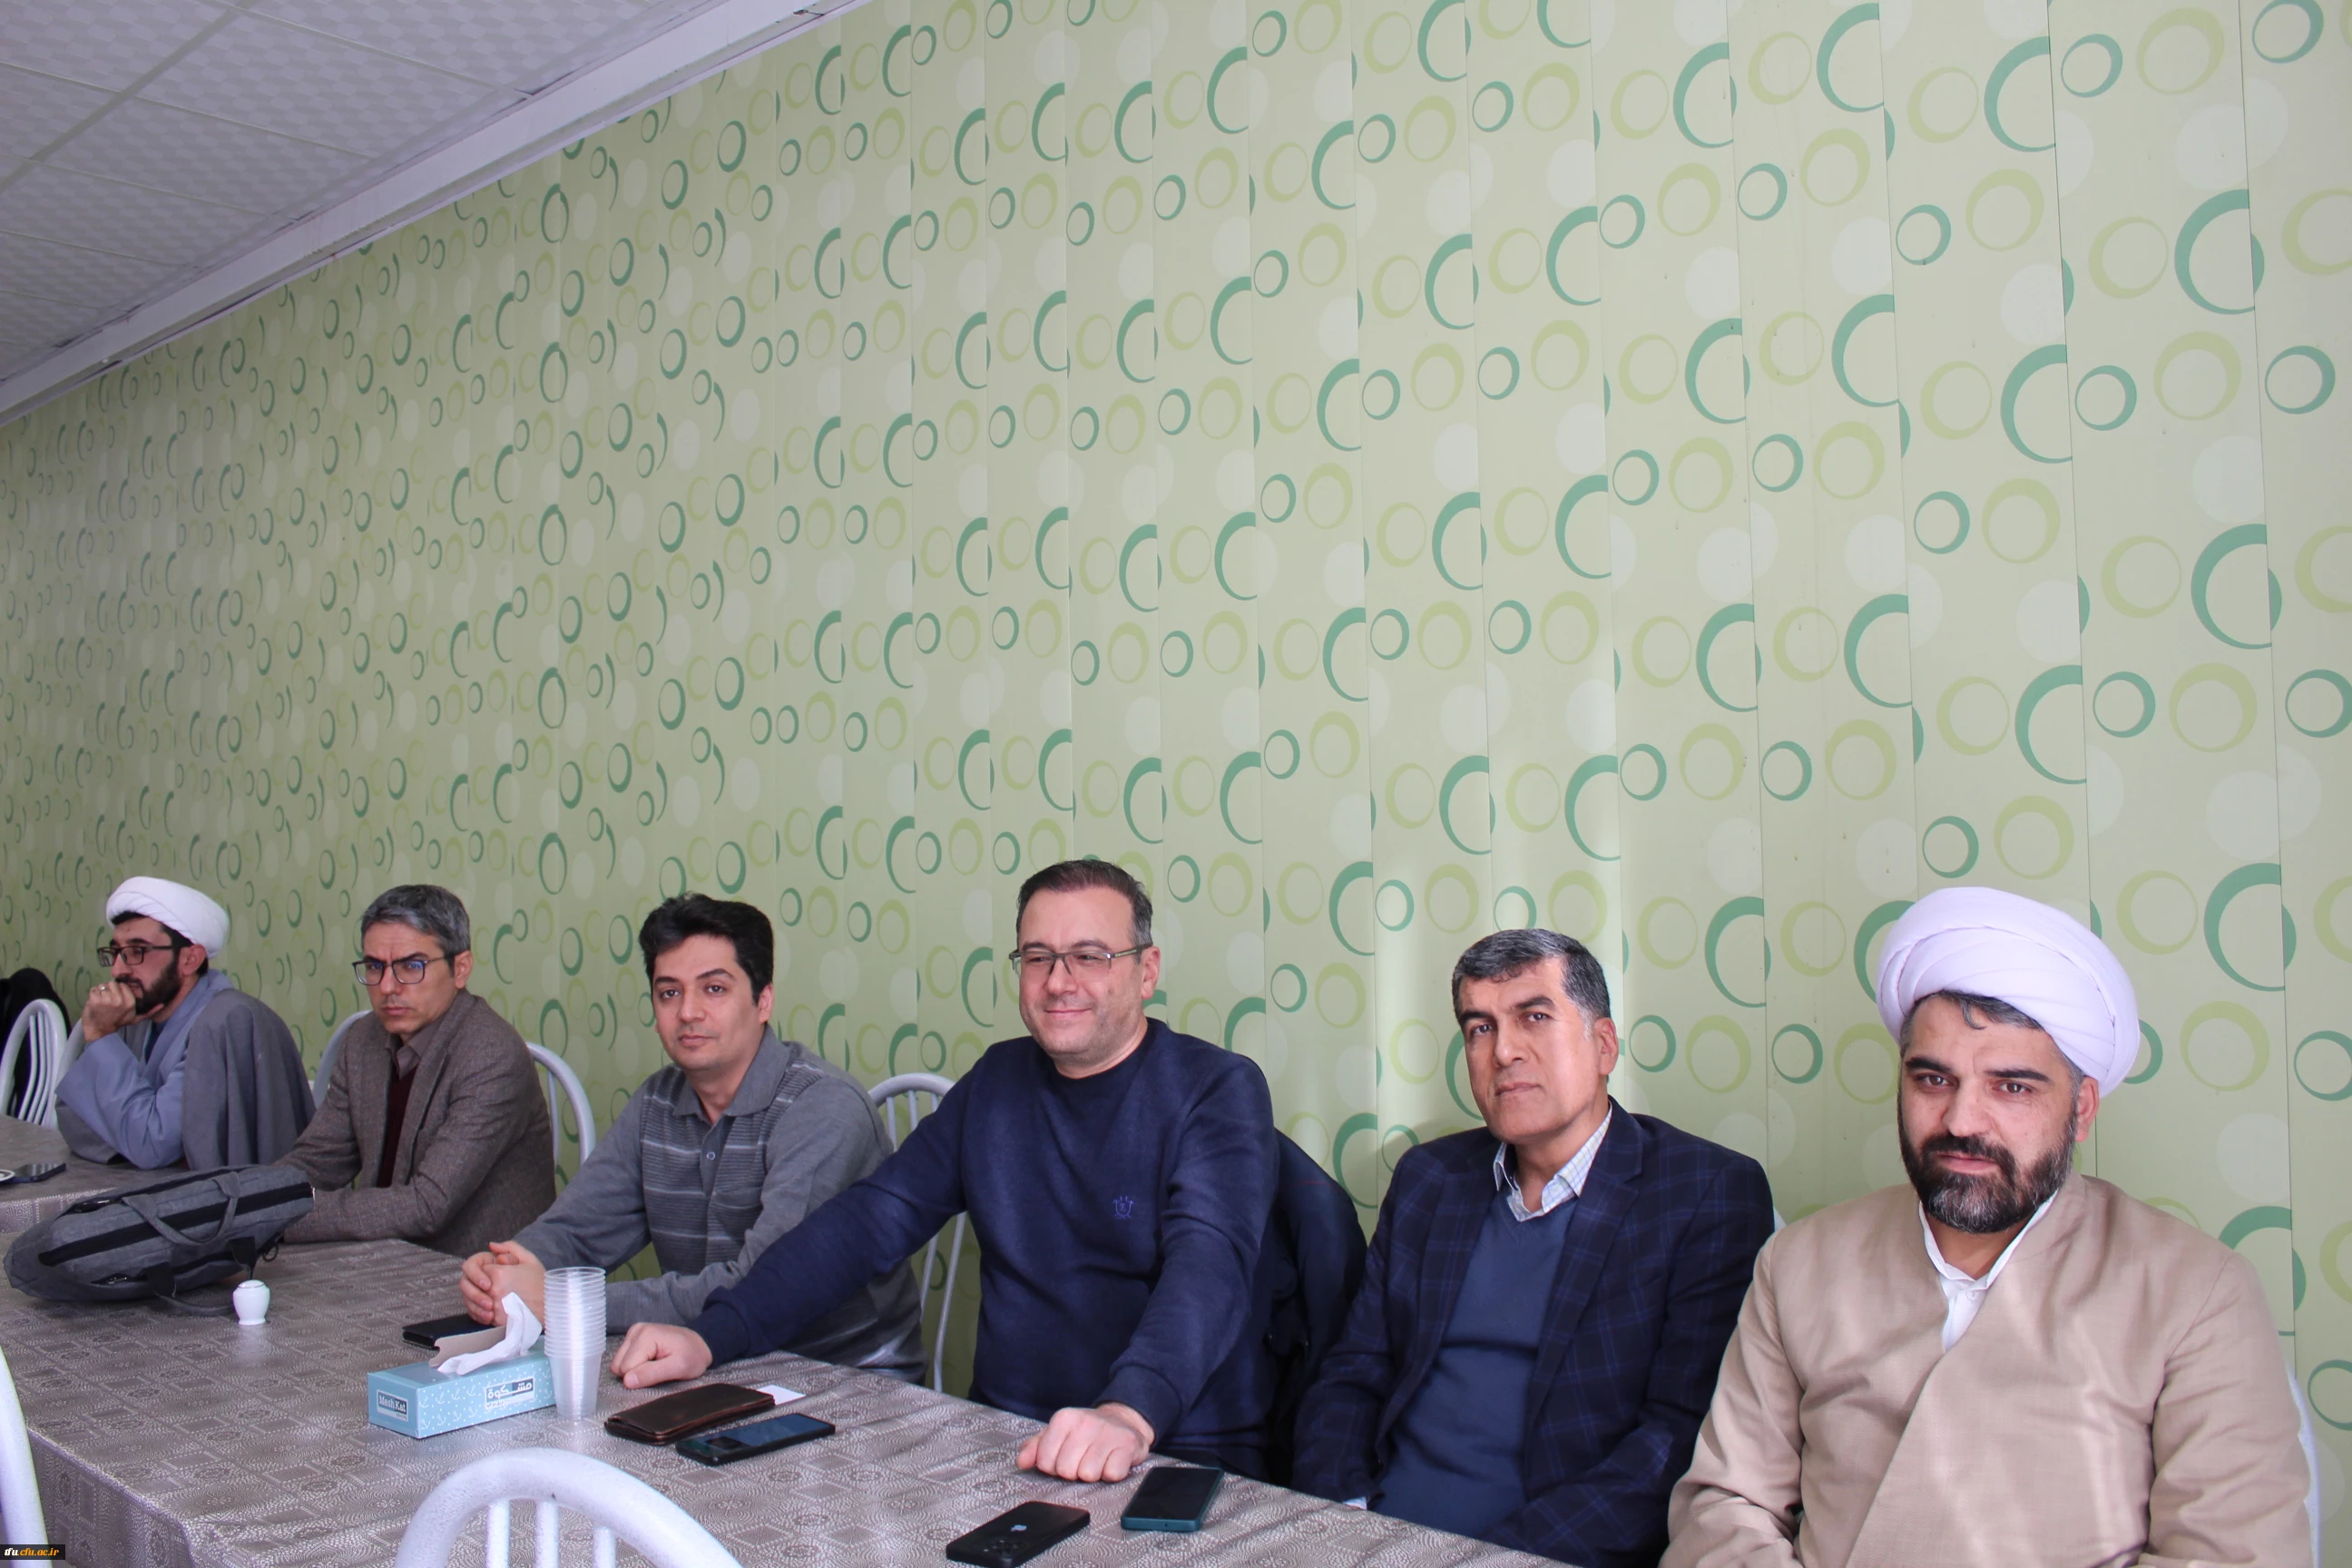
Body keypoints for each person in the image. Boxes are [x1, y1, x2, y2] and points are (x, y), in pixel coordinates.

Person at [1664, 887, 2312, 1568]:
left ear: (2082, 1109)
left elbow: (2234, 1553)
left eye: (2013, 1087)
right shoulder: (1800, 1262)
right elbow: (1725, 1505)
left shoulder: (2196, 1291)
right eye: (1933, 1080)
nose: (1962, 1120)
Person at [607, 859, 1280, 1483]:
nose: (1058, 981)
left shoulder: (1216, 1089)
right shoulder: (997, 1082)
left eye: (1090, 956)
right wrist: (711, 1335)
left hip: (1171, 1444)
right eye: (1037, 957)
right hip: (1008, 1437)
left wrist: (1128, 1413)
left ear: (1146, 970)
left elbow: (1209, 1268)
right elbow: (867, 1223)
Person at [1293, 928, 1774, 1565]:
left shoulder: (1703, 1193)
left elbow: (1676, 1439)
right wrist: (1342, 1518)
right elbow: (1353, 1371)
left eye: (1534, 1018)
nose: (1503, 1051)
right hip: (1371, 1534)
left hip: (1546, 1549)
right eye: (1480, 1028)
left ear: (1603, 1045)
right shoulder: (1430, 1180)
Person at [460, 894, 923, 1378]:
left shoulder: (823, 1108)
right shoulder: (657, 1101)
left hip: (840, 1375)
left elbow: (760, 1284)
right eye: (669, 993)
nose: (687, 1012)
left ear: (763, 1001)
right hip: (710, 1361)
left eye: (714, 989)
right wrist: (511, 1270)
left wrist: (567, 1302)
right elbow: (578, 1227)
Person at [278, 886, 554, 1257]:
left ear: (460, 968)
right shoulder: (363, 1039)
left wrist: (283, 1216)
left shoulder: (491, 1055)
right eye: (374, 966)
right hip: (380, 1256)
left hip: (472, 1270)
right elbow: (318, 1160)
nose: (387, 987)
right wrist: (248, 1204)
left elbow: (426, 1206)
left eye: (411, 966)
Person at [57, 877, 313, 1169]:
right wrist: (133, 1138)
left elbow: (152, 1145)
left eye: (136, 951)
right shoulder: (135, 1015)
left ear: (190, 959)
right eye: (116, 952)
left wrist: (102, 1037)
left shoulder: (227, 1021)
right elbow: (72, 1118)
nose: (117, 970)